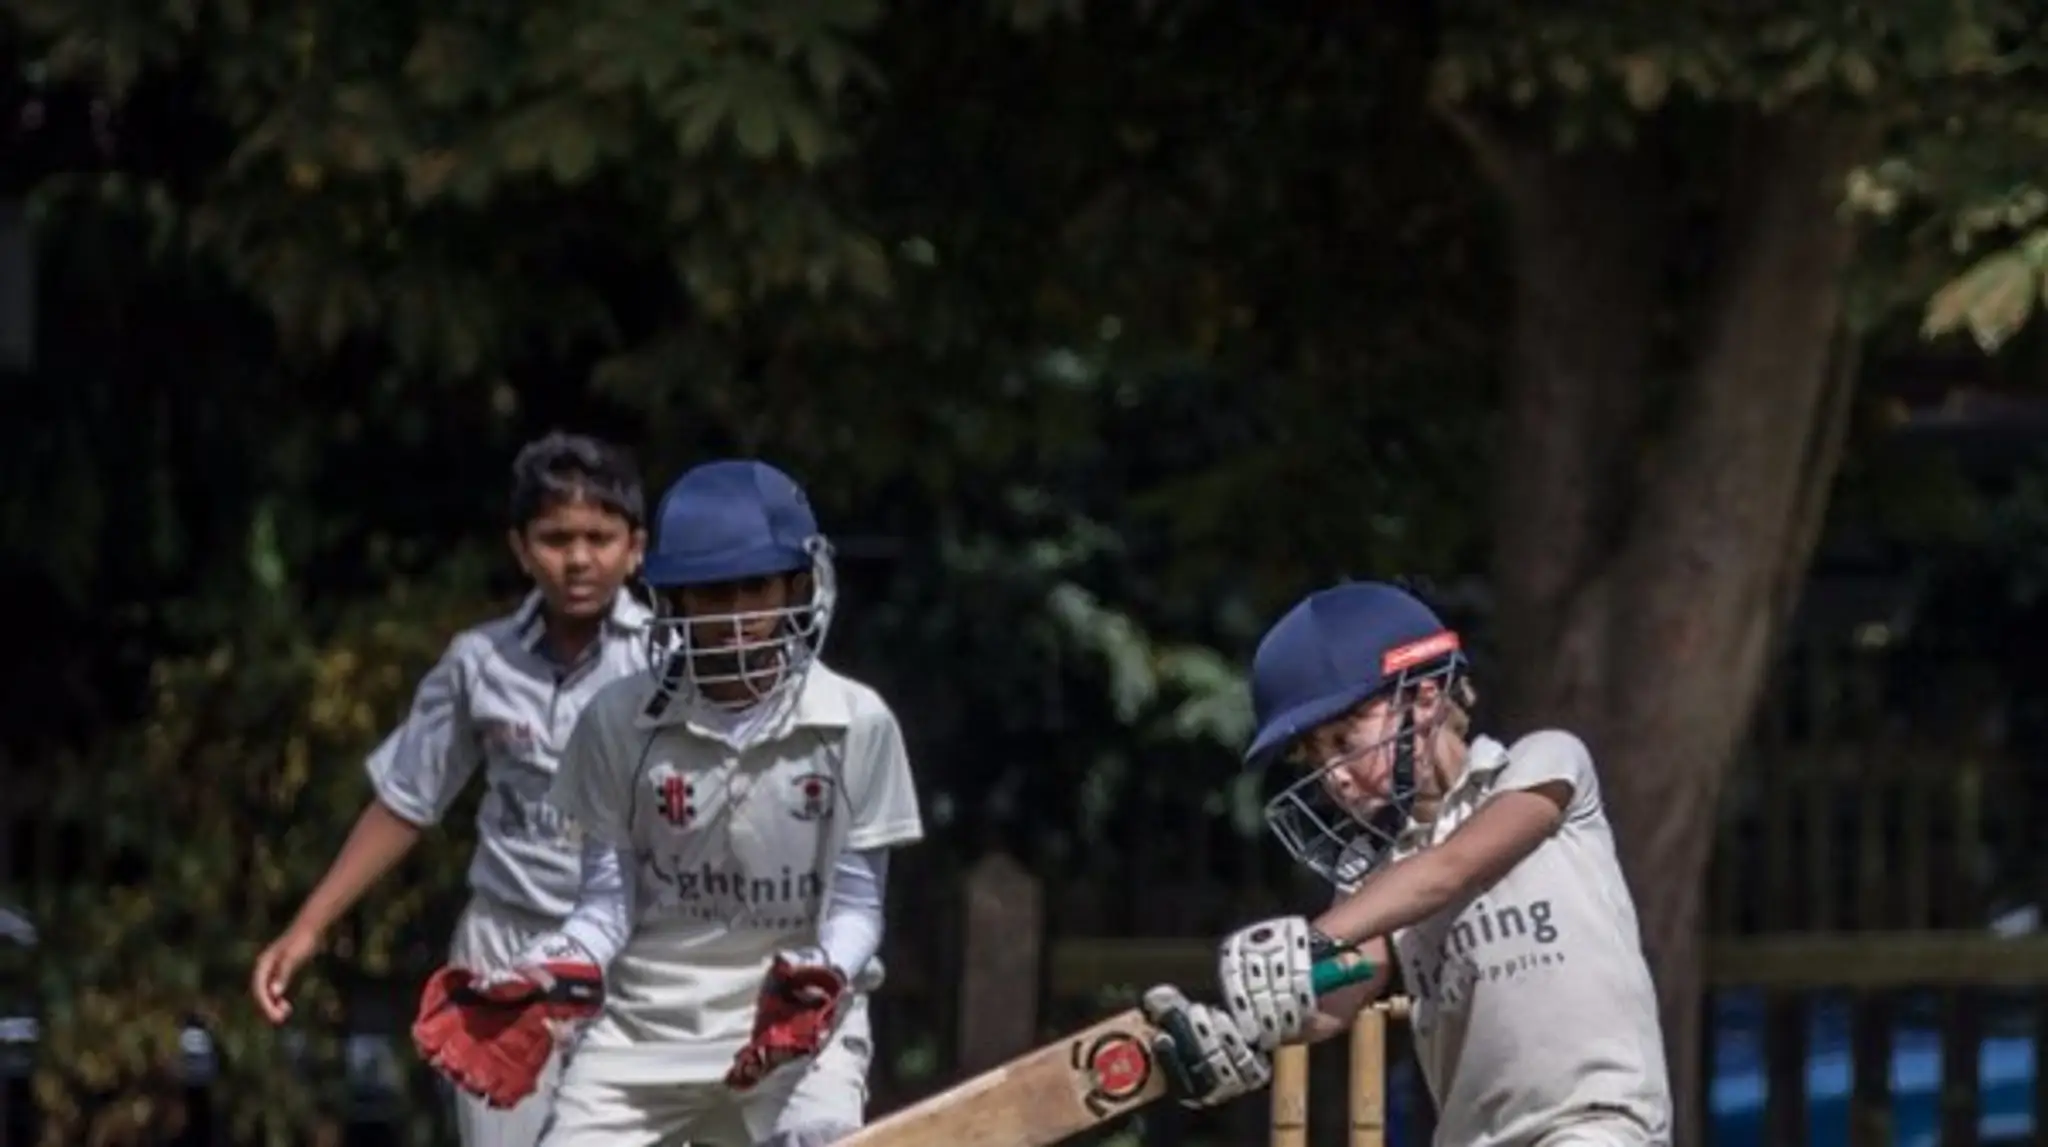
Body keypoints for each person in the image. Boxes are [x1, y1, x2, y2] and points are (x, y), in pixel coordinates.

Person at [411, 457, 924, 1147]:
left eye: (756, 587)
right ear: (675, 601)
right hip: (644, 1027)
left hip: (799, 1026)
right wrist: (552, 969)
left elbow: (859, 908)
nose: (739, 616)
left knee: (817, 1137)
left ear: (800, 585)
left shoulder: (857, 722)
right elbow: (604, 904)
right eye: (713, 594)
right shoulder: (617, 720)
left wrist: (823, 972)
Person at [1141, 580, 1673, 1147]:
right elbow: (1345, 988)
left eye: (1344, 739)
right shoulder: (1379, 877)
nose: (1334, 775)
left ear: (1424, 698)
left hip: (1597, 1126)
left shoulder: (1544, 764)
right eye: (1315, 757)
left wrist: (1311, 939)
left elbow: (1452, 868)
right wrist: (1248, 1030)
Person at [249, 431, 652, 1147]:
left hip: (630, 954)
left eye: (600, 536)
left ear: (636, 547)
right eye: (557, 537)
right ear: (522, 548)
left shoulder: (669, 661)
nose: (580, 557)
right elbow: (408, 798)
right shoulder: (479, 662)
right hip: (505, 949)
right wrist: (307, 926)